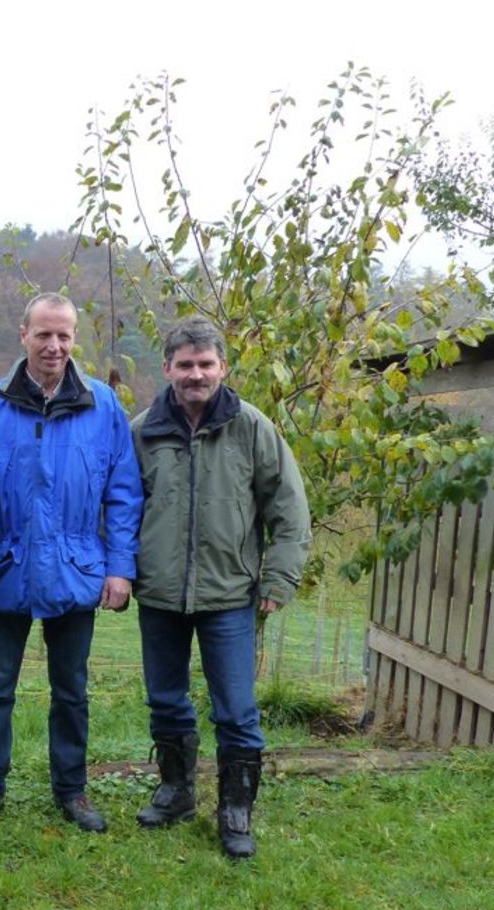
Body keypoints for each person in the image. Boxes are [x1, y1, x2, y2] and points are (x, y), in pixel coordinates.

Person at [0, 293, 142, 833]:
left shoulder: (103, 405)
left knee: (72, 688)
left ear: (74, 339)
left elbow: (124, 493)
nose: (54, 345)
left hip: (77, 567)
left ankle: (73, 789)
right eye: (43, 334)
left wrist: (120, 566)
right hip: (6, 566)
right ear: (23, 335)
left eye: (63, 335)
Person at [130, 317, 310, 859]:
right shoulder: (142, 432)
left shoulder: (252, 428)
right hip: (159, 593)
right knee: (166, 699)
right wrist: (118, 570)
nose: (195, 374)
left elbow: (290, 508)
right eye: (185, 365)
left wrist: (278, 577)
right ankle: (177, 790)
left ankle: (235, 809)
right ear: (167, 369)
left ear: (223, 368)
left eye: (205, 364)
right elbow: (117, 509)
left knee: (235, 708)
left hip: (230, 593)